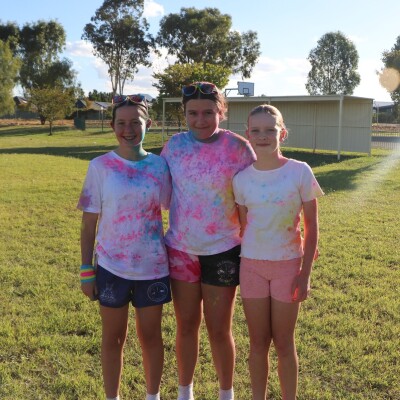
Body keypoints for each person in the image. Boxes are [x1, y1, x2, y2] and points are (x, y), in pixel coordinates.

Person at [160, 82, 257, 400]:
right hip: (181, 251)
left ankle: (226, 393)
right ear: (184, 114)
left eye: (208, 112)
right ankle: (184, 392)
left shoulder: (239, 148)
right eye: (193, 113)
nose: (200, 120)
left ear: (221, 112)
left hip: (223, 251)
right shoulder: (174, 146)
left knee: (219, 329)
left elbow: (256, 195)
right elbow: (160, 194)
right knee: (186, 325)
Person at [78, 94, 172, 400]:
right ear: (112, 126)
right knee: (113, 338)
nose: (128, 129)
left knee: (151, 337)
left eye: (136, 122)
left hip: (152, 268)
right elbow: (88, 224)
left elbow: (175, 208)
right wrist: (86, 270)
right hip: (111, 268)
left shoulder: (160, 166)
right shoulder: (100, 166)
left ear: (149, 124)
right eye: (121, 123)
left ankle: (152, 396)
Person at [232, 104, 324, 400]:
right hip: (252, 267)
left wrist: (305, 274)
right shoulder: (241, 179)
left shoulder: (299, 171)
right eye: (256, 130)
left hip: (288, 267)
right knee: (258, 343)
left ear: (282, 133)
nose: (263, 136)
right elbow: (245, 225)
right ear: (248, 135)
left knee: (284, 342)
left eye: (270, 130)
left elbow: (312, 227)